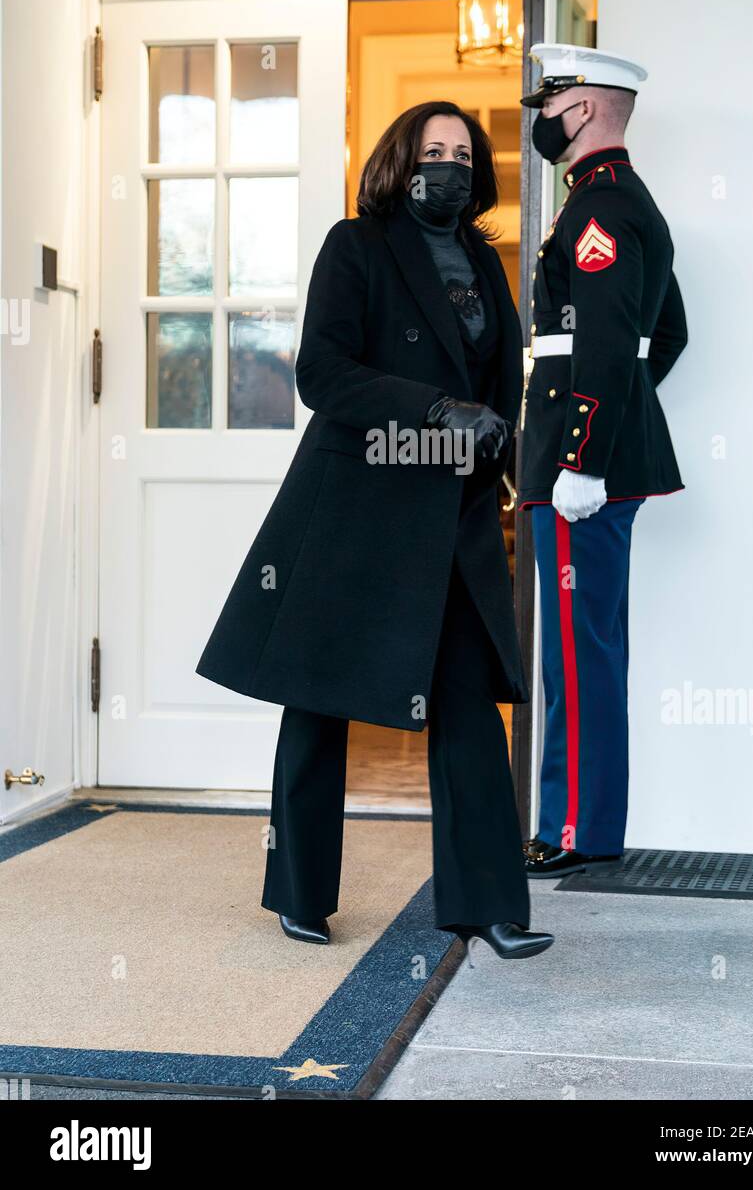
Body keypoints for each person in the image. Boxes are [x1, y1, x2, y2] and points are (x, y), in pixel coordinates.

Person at [196, 100, 553, 962]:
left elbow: (501, 379)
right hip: (355, 507)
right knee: (320, 703)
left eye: (462, 156)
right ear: (402, 160)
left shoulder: (483, 258)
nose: (448, 167)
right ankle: (301, 894)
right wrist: (435, 411)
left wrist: (499, 448)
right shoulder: (355, 245)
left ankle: (490, 906)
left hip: (456, 515)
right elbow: (322, 371)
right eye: (432, 152)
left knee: (470, 706)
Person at [518, 44, 688, 878]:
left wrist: (584, 457)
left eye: (549, 104)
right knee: (586, 650)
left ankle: (576, 830)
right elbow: (668, 337)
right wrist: (616, 418)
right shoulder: (621, 202)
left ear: (581, 109)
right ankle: (585, 824)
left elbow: (615, 342)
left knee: (578, 656)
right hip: (590, 462)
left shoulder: (599, 211)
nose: (541, 118)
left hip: (579, 471)